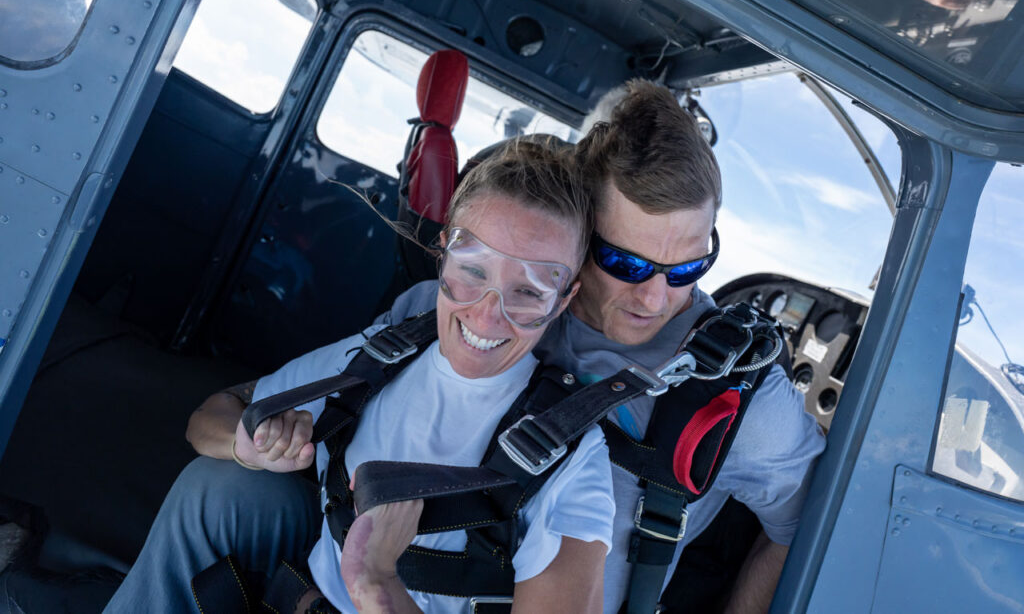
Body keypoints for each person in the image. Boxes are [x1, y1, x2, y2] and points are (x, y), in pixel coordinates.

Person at [103, 139, 613, 613]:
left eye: (528, 293)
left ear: (564, 299)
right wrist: (252, 445)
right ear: (442, 255)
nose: (486, 315)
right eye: (473, 272)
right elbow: (210, 416)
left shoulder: (570, 460)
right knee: (214, 482)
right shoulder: (383, 358)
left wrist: (375, 579)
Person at [382, 80, 826, 612]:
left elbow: (808, 532)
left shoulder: (737, 399)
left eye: (687, 268)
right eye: (628, 264)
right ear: (583, 231)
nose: (656, 297)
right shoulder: (478, 304)